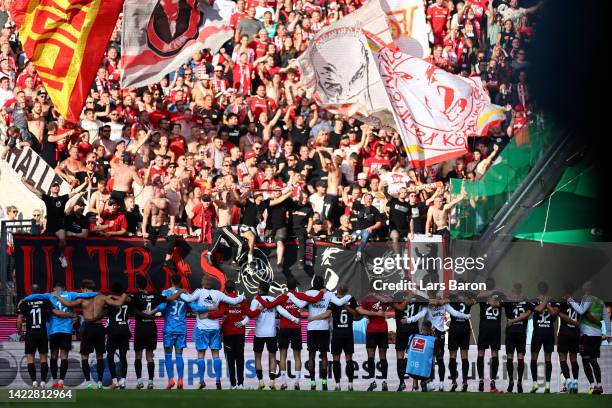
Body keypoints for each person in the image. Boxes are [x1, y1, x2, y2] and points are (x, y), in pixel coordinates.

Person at [20, 281, 97, 388]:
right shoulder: (71, 294)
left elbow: (36, 295)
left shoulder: (50, 295)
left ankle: (55, 381)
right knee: (64, 356)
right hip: (66, 330)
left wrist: (24, 299)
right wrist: (98, 294)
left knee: (54, 356)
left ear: (54, 288)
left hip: (53, 330)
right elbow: (85, 294)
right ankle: (61, 381)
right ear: (65, 288)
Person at [255, 277, 324, 390]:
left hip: (284, 329)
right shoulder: (299, 295)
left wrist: (258, 297)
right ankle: (296, 382)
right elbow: (315, 299)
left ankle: (284, 383)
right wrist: (321, 292)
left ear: (286, 286)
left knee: (283, 355)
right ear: (295, 286)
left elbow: (267, 306)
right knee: (297, 356)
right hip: (296, 328)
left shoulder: (282, 297)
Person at [286, 275, 351, 391]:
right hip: (324, 328)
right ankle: (324, 382)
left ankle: (312, 383)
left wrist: (290, 295)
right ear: (323, 284)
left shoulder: (309, 293)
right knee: (324, 356)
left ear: (313, 283)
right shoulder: (328, 294)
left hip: (311, 328)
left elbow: (300, 305)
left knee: (311, 356)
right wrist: (349, 296)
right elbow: (340, 303)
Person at [179, 276, 244, 389]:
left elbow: (188, 299)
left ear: (203, 283)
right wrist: (242, 297)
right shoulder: (218, 294)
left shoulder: (199, 292)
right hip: (215, 328)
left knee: (201, 355)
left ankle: (201, 381)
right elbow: (234, 300)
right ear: (212, 284)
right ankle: (218, 381)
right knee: (215, 355)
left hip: (202, 328)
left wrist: (179, 292)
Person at [130, 275, 184, 389]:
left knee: (138, 356)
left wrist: (144, 313)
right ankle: (150, 382)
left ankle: (140, 381)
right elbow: (168, 299)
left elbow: (133, 310)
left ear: (137, 286)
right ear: (146, 285)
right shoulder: (154, 295)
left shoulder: (136, 296)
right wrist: (180, 292)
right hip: (151, 327)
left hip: (140, 328)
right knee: (150, 357)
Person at [208, 280, 259, 389]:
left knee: (230, 359)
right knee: (240, 358)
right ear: (235, 289)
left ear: (225, 290)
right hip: (240, 333)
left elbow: (220, 313)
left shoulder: (224, 300)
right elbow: (250, 314)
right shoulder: (242, 299)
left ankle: (233, 384)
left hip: (228, 333)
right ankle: (241, 384)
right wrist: (259, 309)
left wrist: (207, 314)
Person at [249, 281, 299, 390]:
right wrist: (294, 319)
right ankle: (272, 381)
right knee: (272, 357)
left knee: (258, 357)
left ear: (260, 290)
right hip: (271, 333)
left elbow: (251, 315)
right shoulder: (273, 300)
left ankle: (261, 381)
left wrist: (244, 321)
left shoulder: (255, 300)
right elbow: (283, 311)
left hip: (259, 334)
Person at [568, 280, 611, 394]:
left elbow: (582, 311)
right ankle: (599, 385)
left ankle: (592, 385)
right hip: (597, 335)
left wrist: (571, 301)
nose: (585, 285)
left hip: (587, 335)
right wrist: (609, 333)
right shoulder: (601, 301)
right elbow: (606, 319)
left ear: (587, 288)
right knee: (593, 360)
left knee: (585, 360)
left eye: (586, 284)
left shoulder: (586, 297)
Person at [17, 284, 62, 388]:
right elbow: (53, 313)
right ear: (40, 291)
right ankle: (42, 382)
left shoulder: (24, 302)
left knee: (30, 358)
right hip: (42, 333)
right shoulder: (45, 301)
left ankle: (34, 382)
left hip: (30, 333)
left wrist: (19, 332)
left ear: (30, 292)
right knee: (43, 358)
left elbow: (19, 320)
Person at [392, 292, 428, 392]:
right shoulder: (416, 296)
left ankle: (403, 382)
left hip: (402, 330)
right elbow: (427, 305)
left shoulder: (397, 296)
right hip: (412, 330)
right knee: (414, 356)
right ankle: (416, 382)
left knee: (401, 356)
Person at [357, 293, 393, 392]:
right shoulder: (373, 298)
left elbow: (388, 300)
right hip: (379, 330)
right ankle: (382, 382)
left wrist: (371, 310)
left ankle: (375, 382)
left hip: (373, 330)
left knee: (372, 356)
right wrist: (376, 313)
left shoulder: (370, 298)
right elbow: (359, 310)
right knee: (381, 356)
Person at [529, 281, 558, 394]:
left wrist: (545, 302)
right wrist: (546, 302)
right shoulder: (550, 301)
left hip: (540, 333)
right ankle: (546, 385)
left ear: (538, 289)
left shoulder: (534, 300)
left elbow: (554, 314)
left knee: (534, 359)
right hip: (547, 333)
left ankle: (539, 384)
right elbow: (538, 310)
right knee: (547, 359)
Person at [503, 283, 532, 393]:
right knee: (520, 356)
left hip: (511, 330)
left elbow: (497, 304)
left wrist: (512, 320)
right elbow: (529, 313)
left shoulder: (508, 299)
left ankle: (511, 381)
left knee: (510, 356)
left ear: (513, 289)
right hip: (521, 331)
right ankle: (519, 381)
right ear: (521, 290)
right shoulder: (526, 300)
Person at [476, 281, 503, 392]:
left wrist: (488, 292)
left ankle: (481, 380)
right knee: (494, 353)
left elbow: (478, 296)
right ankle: (492, 381)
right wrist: (494, 292)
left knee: (481, 353)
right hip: (495, 328)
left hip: (484, 328)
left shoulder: (482, 296)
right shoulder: (499, 295)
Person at [447, 292, 476, 392]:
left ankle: (454, 382)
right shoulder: (468, 297)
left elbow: (446, 301)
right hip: (464, 328)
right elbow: (472, 301)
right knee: (464, 356)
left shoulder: (452, 297)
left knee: (453, 356)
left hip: (454, 328)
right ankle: (465, 382)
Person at [556, 283, 581, 394]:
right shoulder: (577, 302)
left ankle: (568, 382)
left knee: (562, 359)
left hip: (565, 332)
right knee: (574, 359)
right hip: (575, 333)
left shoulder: (562, 300)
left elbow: (558, 313)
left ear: (565, 291)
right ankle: (575, 382)